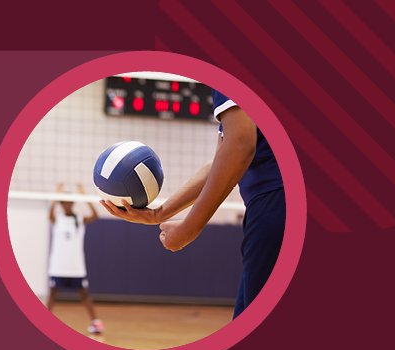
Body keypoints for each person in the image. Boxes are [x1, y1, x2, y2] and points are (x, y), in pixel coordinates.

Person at [100, 88, 285, 318]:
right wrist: (159, 214)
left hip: (277, 202)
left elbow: (240, 145)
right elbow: (223, 159)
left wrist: (188, 229)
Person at [47, 183, 104, 334]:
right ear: (61, 204)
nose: (67, 204)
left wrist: (84, 195)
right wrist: (56, 195)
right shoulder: (57, 219)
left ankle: (95, 323)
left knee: (84, 295)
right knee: (52, 294)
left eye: (69, 201)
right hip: (58, 266)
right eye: (63, 202)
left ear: (72, 203)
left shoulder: (79, 219)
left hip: (75, 267)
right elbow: (49, 214)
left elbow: (96, 215)